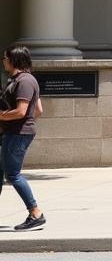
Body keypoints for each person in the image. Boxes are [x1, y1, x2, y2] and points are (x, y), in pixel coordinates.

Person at [0, 45, 45, 231]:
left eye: (5, 57)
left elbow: (21, 111)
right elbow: (39, 110)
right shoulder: (22, 79)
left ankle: (36, 213)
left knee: (13, 175)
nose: (3, 61)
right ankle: (35, 213)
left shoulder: (25, 81)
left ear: (13, 60)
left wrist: (2, 116)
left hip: (17, 134)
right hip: (14, 132)